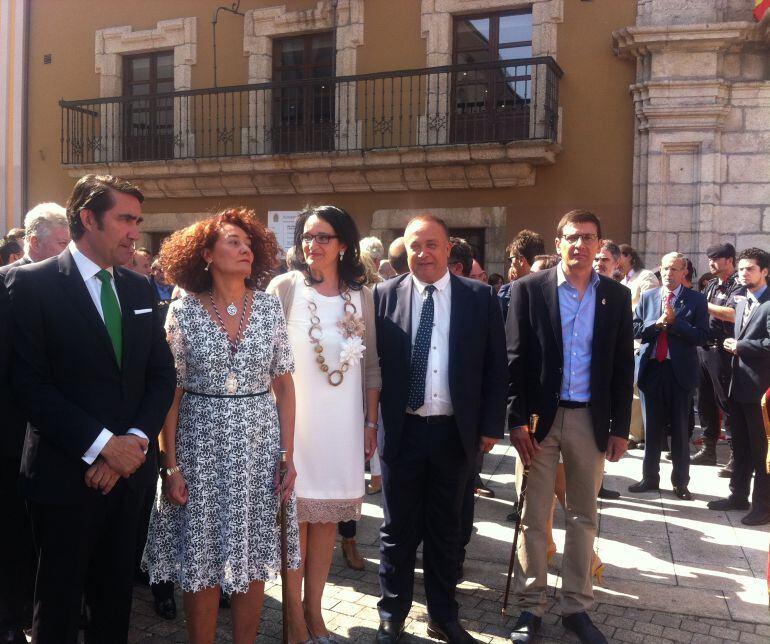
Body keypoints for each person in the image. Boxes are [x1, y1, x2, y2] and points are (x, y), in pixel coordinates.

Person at [5, 174, 176, 643]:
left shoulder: (141, 290)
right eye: (125, 219)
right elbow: (28, 384)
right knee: (57, 607)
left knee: (114, 604)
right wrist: (102, 447)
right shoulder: (29, 284)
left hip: (129, 479)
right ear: (87, 218)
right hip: (64, 478)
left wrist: (133, 446)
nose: (135, 232)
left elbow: (161, 376)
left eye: (137, 221)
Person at [141, 208, 299, 642]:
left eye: (249, 244)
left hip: (258, 446)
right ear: (206, 254)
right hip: (199, 445)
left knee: (251, 560)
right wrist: (169, 465)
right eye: (233, 241)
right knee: (202, 562)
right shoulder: (184, 310)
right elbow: (170, 394)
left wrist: (287, 455)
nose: (245, 248)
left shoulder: (268, 307)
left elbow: (285, 387)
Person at [374, 214, 507, 644]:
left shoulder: (479, 297)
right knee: (397, 530)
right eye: (414, 245)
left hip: (454, 433)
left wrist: (489, 427)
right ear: (404, 250)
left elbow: (495, 367)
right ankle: (391, 613)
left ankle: (443, 616)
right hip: (402, 430)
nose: (423, 253)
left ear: (449, 249)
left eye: (432, 244)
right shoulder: (382, 296)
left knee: (446, 531)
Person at [507, 209, 633, 644]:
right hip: (539, 422)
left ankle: (576, 608)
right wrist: (516, 419)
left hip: (589, 420)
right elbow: (515, 360)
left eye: (588, 238)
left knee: (583, 516)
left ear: (600, 246)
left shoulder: (615, 297)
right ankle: (531, 607)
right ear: (557, 241)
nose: (579, 245)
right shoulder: (528, 290)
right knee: (533, 517)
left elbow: (621, 365)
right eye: (571, 237)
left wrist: (619, 428)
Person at [267, 205, 380, 644]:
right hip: (295, 426)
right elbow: (268, 360)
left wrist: (371, 423)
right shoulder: (285, 287)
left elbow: (371, 367)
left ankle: (315, 614)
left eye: (323, 237)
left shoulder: (362, 295)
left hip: (343, 428)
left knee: (327, 523)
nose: (312, 245)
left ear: (344, 245)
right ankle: (293, 619)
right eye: (307, 236)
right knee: (294, 523)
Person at [0, 202, 69, 644]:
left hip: (58, 432)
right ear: (33, 241)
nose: (68, 252)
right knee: (11, 531)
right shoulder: (8, 283)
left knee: (49, 532)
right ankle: (9, 616)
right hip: (12, 429)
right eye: (61, 245)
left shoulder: (70, 284)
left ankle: (45, 610)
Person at [629, 252, 708, 501]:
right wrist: (658, 325)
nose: (667, 274)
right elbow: (635, 327)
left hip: (679, 372)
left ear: (684, 271)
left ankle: (681, 482)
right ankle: (649, 477)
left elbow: (702, 336)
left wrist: (676, 324)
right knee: (651, 428)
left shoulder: (695, 300)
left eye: (673, 269)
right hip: (652, 369)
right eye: (664, 269)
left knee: (681, 431)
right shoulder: (649, 297)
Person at [707, 248, 770, 525]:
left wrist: (741, 346)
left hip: (761, 391)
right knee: (741, 447)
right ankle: (738, 495)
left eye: (750, 269)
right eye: (742, 268)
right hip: (738, 386)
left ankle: (763, 505)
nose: (744, 273)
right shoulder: (742, 301)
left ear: (764, 271)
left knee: (760, 450)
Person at [693, 243, 741, 468]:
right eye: (709, 258)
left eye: (716, 258)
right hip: (704, 348)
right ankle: (708, 448)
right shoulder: (712, 285)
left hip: (724, 350)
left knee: (727, 402)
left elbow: (733, 314)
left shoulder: (738, 285)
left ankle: (735, 454)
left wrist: (704, 304)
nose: (711, 262)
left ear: (729, 260)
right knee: (704, 401)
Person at [499, 230, 545, 319]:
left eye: (510, 259)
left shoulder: (507, 293)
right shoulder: (555, 286)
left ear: (521, 260)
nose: (511, 264)